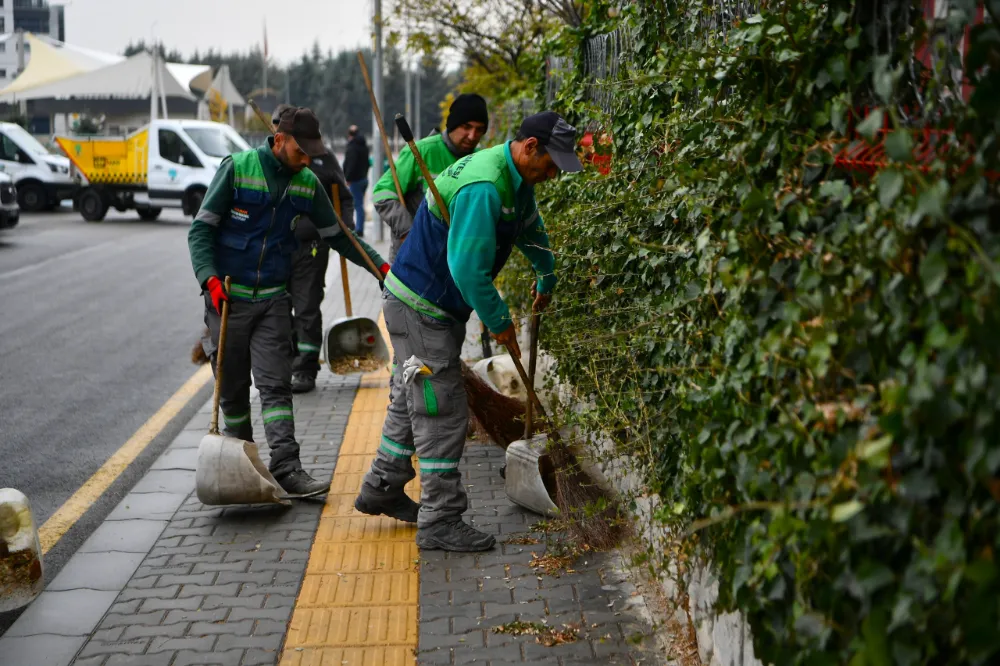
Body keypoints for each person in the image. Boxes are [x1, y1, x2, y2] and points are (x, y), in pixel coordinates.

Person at [354, 111, 583, 550]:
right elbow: (466, 270)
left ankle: (382, 484)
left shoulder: (513, 177)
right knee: (443, 411)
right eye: (552, 164)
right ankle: (440, 519)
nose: (553, 174)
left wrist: (546, 273)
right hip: (421, 306)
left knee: (412, 400)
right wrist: (500, 322)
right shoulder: (484, 186)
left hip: (422, 303)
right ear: (530, 147)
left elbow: (529, 229)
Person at [188, 107, 389, 498]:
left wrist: (379, 266)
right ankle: (241, 464)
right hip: (228, 301)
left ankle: (287, 468)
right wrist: (209, 280)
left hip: (273, 302)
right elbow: (201, 231)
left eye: (313, 151)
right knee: (231, 391)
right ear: (279, 139)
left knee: (276, 387)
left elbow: (339, 235)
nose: (308, 158)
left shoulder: (306, 182)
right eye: (302, 150)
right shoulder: (238, 169)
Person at [267, 105, 358, 395]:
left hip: (313, 246)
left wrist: (346, 229)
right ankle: (287, 363)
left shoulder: (323, 158)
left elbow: (344, 196)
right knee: (279, 307)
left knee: (306, 306)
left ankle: (305, 369)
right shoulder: (269, 163)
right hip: (277, 248)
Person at [372, 93, 488, 261]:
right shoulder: (421, 152)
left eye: (479, 130)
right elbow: (382, 193)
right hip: (413, 261)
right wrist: (408, 233)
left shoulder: (481, 161)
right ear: (452, 125)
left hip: (455, 263)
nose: (472, 136)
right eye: (466, 127)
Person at [342, 125, 370, 237]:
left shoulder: (352, 147)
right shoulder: (364, 146)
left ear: (349, 135)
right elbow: (367, 163)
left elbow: (350, 164)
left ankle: (358, 229)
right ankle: (359, 226)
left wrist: (348, 178)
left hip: (355, 180)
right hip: (363, 179)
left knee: (356, 205)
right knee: (360, 204)